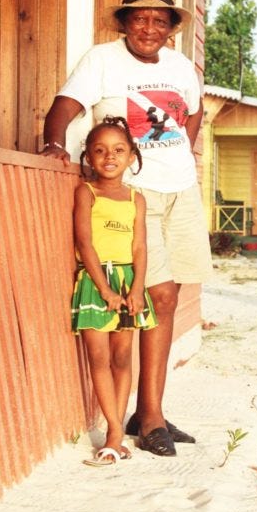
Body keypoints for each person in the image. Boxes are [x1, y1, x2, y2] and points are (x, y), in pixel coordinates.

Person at [42, 0, 212, 457]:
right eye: (140, 18)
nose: (150, 27)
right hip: (139, 194)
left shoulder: (181, 66)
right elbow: (65, 108)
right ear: (124, 22)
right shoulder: (102, 59)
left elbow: (193, 115)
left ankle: (147, 411)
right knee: (154, 292)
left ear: (172, 28)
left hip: (181, 187)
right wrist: (56, 143)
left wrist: (179, 152)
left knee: (172, 291)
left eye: (161, 20)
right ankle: (150, 417)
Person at [72, 117, 158, 466]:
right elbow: (85, 242)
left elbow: (140, 247)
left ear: (131, 156)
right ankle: (113, 427)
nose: (110, 156)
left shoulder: (137, 199)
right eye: (100, 150)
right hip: (96, 283)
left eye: (119, 150)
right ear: (89, 158)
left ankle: (115, 434)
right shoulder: (86, 192)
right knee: (99, 358)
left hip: (128, 284)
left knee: (123, 358)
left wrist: (136, 288)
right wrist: (104, 289)